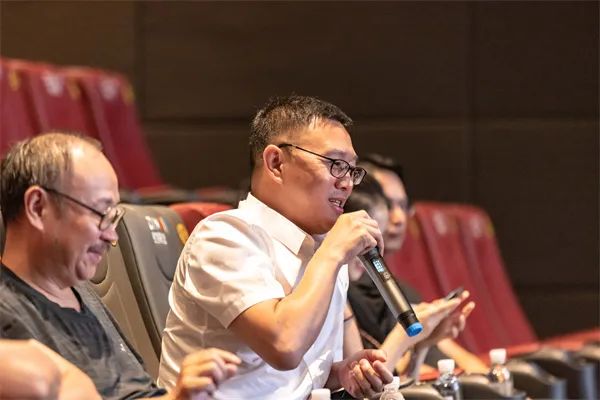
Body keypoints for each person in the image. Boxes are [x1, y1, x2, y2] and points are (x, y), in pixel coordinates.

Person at [159, 95, 394, 399]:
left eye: (352, 170)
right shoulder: (224, 236)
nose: (347, 183)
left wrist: (340, 373)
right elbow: (284, 346)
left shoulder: (323, 248)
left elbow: (295, 376)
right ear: (276, 163)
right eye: (335, 164)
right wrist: (333, 253)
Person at [0, 132, 241, 400]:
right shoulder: (8, 316)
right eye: (101, 213)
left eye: (114, 217)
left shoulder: (79, 290)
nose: (112, 236)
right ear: (38, 207)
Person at [357, 154, 488, 373]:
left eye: (403, 206)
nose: (398, 218)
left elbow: (460, 360)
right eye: (387, 205)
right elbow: (374, 380)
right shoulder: (346, 291)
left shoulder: (402, 290)